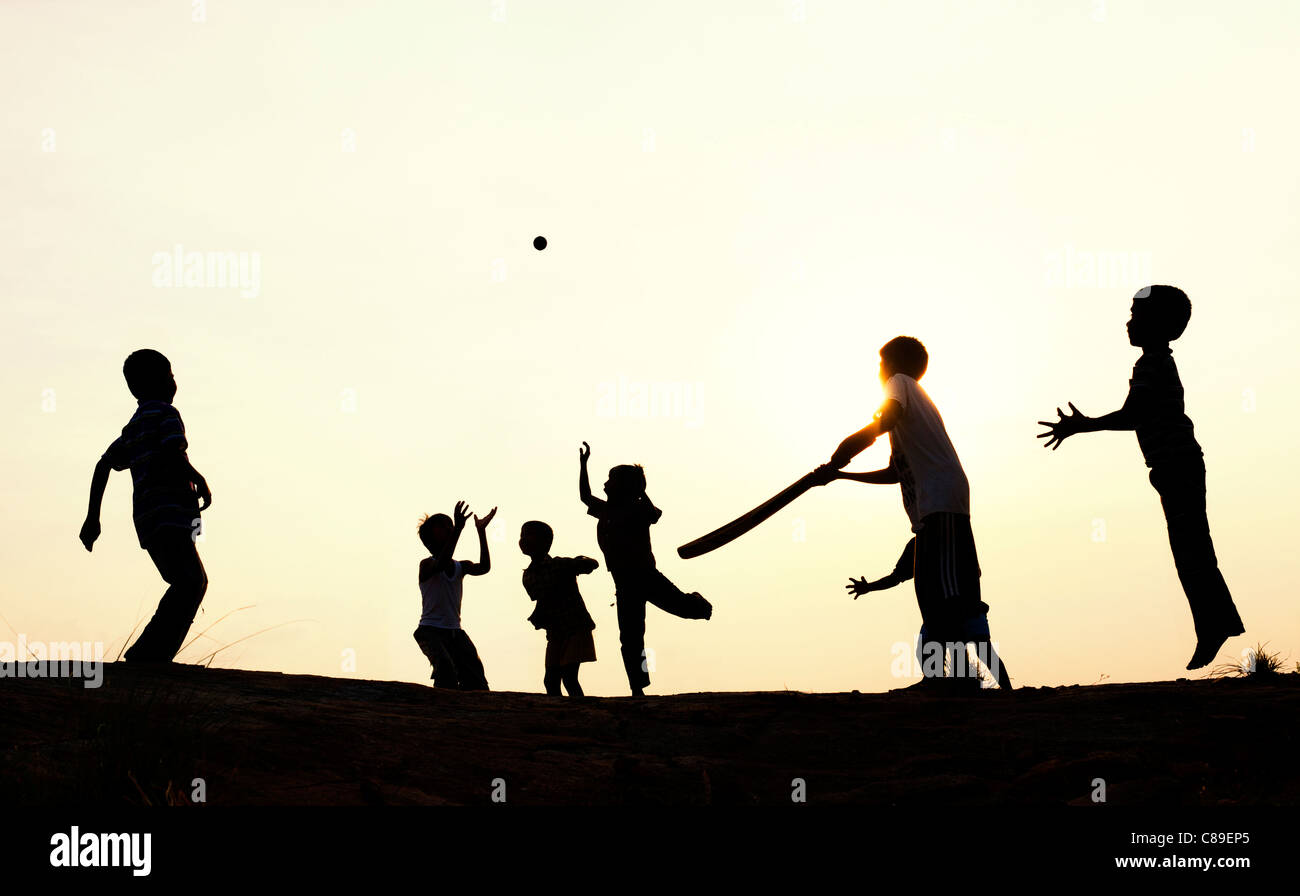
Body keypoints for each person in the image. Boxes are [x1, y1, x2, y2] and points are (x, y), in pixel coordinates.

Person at [1038, 285, 1245, 670]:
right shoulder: (1153, 364)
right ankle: (1217, 624)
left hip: (1178, 467)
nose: (1128, 322)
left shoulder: (1152, 366)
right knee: (1192, 549)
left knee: (1191, 550)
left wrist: (1085, 425)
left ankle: (1215, 626)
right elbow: (1138, 414)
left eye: (1136, 315)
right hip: (1173, 468)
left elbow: (1134, 414)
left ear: (1159, 324)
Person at [814, 335, 1010, 689]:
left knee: (948, 593)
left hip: (943, 501)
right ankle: (938, 677)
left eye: (879, 363)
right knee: (927, 590)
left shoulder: (899, 385)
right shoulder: (910, 404)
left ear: (892, 364)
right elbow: (895, 472)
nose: (878, 370)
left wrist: (842, 453)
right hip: (931, 508)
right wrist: (841, 474)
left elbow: (886, 419)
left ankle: (960, 680)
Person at [79, 349, 211, 663]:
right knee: (192, 581)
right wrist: (197, 477)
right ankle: (150, 654)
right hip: (170, 514)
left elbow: (104, 464)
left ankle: (150, 653)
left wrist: (92, 518)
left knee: (184, 581)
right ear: (159, 381)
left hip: (149, 519)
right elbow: (172, 450)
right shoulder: (166, 414)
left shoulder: (136, 424)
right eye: (170, 375)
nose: (174, 381)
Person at [578, 442, 711, 696]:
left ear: (626, 488)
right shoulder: (606, 510)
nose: (604, 485)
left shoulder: (638, 509)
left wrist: (640, 490)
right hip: (624, 583)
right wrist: (584, 465)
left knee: (684, 609)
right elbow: (585, 496)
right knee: (630, 638)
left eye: (610, 480)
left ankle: (698, 605)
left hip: (645, 576)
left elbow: (653, 514)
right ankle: (637, 687)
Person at [846, 539, 1011, 689]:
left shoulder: (955, 536)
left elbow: (975, 572)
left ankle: (1006, 692)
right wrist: (869, 587)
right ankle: (936, 683)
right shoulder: (917, 544)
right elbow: (896, 577)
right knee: (929, 649)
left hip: (967, 608)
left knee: (983, 651)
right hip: (938, 613)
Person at [413, 501, 495, 690]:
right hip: (430, 631)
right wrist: (458, 529)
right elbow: (440, 563)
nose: (448, 528)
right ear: (429, 538)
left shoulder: (461, 566)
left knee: (476, 677)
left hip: (455, 633)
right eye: (443, 526)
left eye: (450, 524)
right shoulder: (426, 565)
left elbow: (484, 567)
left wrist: (481, 531)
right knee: (445, 669)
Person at [519, 520, 598, 697]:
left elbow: (591, 565)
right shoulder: (530, 574)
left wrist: (580, 561)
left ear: (545, 542)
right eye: (522, 535)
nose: (523, 540)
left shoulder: (560, 564)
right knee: (551, 680)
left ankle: (579, 714)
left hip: (576, 627)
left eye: (528, 535)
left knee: (569, 677)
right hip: (556, 632)